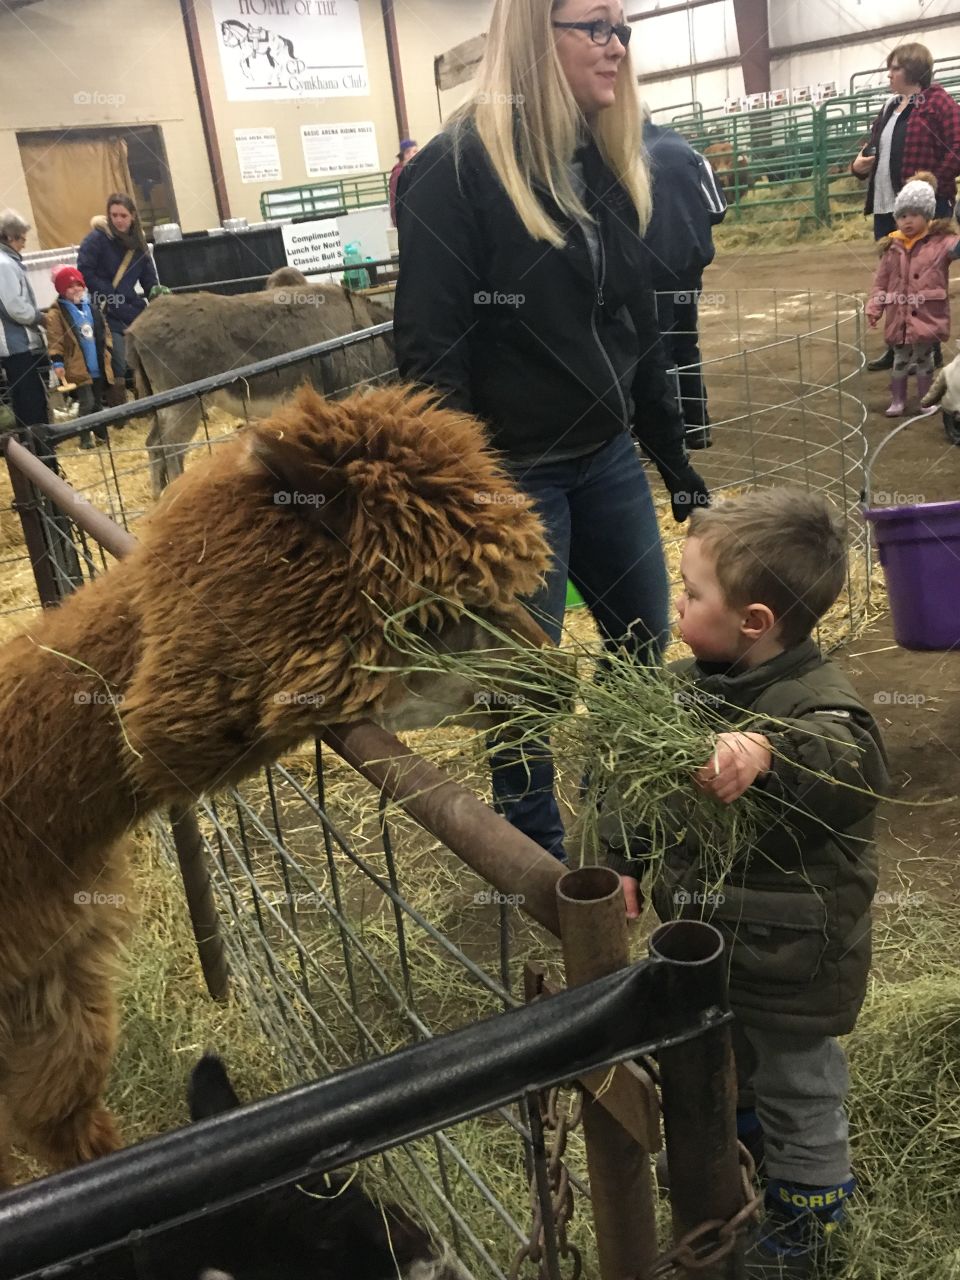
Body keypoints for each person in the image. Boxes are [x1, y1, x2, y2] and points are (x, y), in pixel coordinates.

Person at [394, 0, 709, 861]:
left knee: (642, 638)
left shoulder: (602, 161)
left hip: (605, 459)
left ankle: (626, 816)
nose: (617, 48)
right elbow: (430, 354)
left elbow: (636, 327)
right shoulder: (453, 172)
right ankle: (540, 863)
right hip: (515, 476)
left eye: (622, 29)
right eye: (596, 27)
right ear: (537, 35)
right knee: (523, 682)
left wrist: (672, 457)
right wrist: (466, 509)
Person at [600, 489, 888, 1279]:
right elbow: (633, 782)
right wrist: (621, 858)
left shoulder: (816, 705)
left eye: (692, 594)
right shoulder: (687, 688)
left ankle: (807, 1225)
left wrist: (769, 753)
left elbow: (850, 760)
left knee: (800, 1086)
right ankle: (745, 1162)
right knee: (727, 1064)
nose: (677, 606)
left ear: (755, 621)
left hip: (793, 955)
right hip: (712, 941)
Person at [850, 43, 960, 371]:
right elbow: (872, 150)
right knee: (894, 276)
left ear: (913, 70)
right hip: (888, 207)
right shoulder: (889, 107)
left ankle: (928, 346)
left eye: (895, 68)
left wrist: (930, 185)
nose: (889, 74)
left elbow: (958, 147)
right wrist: (858, 165)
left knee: (925, 278)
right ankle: (898, 345)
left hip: (924, 209)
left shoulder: (939, 103)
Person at [641, 105, 727, 449]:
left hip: (647, 269)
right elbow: (717, 209)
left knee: (657, 352)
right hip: (689, 264)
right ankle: (697, 426)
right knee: (685, 344)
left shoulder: (623, 155)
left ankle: (669, 433)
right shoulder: (687, 149)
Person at [866, 173, 960, 417]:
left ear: (927, 216)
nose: (907, 221)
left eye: (914, 215)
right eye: (902, 215)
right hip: (899, 317)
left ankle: (925, 400)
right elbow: (880, 282)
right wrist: (874, 308)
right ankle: (897, 400)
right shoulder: (891, 247)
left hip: (927, 316)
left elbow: (957, 249)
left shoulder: (941, 243)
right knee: (899, 359)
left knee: (924, 359)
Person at [77, 192, 158, 386]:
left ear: (133, 216)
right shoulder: (96, 239)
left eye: (123, 215)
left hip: (131, 308)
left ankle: (146, 395)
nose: (118, 220)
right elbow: (85, 272)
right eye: (114, 215)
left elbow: (148, 277)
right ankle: (119, 400)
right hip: (106, 309)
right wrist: (109, 293)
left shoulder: (138, 244)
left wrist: (157, 295)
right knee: (117, 363)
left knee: (145, 357)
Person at [44, 266, 119, 449]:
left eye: (79, 285)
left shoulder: (91, 308)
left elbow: (105, 330)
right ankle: (85, 437)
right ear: (62, 290)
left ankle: (101, 435)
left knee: (97, 403)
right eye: (70, 286)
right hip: (77, 366)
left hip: (97, 363)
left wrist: (108, 349)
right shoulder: (56, 314)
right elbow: (55, 340)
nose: (76, 289)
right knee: (87, 403)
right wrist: (58, 362)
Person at [0, 208, 52, 462]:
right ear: (10, 237)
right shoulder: (4, 264)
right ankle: (42, 465)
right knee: (31, 410)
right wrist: (39, 318)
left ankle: (40, 464)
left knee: (31, 406)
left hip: (19, 346)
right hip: (17, 347)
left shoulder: (8, 263)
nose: (24, 243)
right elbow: (14, 306)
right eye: (21, 238)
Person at [388, 140, 418, 227]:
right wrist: (396, 221)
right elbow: (394, 198)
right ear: (406, 154)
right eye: (414, 151)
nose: (417, 154)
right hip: (404, 221)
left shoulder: (411, 170)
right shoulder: (398, 172)